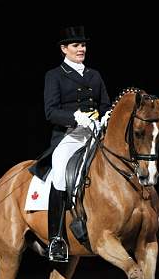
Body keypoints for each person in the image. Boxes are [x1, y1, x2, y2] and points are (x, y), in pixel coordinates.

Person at [31, 25, 111, 262]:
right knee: (59, 170)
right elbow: (50, 111)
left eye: (83, 45)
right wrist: (76, 118)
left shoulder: (94, 75)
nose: (81, 49)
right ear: (64, 49)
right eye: (76, 45)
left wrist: (106, 116)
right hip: (69, 135)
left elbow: (105, 104)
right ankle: (56, 238)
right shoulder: (54, 75)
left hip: (95, 132)